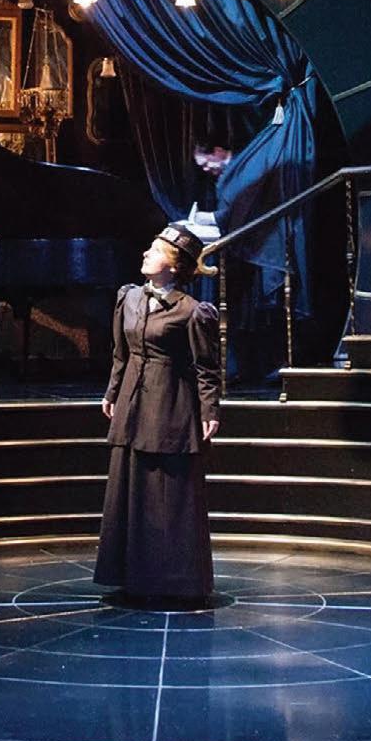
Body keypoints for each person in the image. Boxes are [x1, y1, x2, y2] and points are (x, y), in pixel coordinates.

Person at [95, 222, 221, 605]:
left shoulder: (192, 312)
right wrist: (112, 391)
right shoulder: (128, 298)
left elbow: (206, 368)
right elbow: (120, 353)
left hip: (169, 406)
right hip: (132, 404)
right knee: (131, 487)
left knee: (166, 494)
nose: (145, 254)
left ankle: (174, 580)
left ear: (174, 264)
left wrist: (210, 409)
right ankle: (131, 576)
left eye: (155, 250)